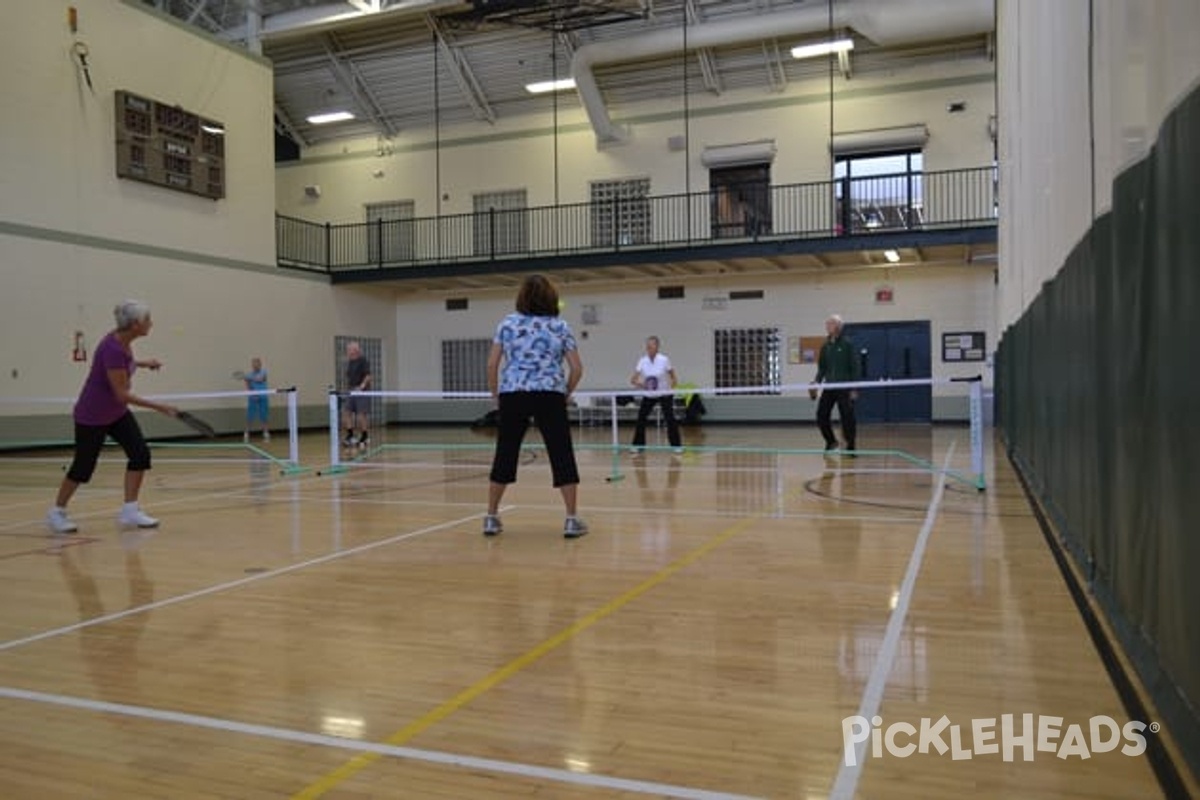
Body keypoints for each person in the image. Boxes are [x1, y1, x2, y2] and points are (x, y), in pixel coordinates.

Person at [46, 300, 178, 534]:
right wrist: (159, 407)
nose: (151, 323)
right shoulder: (113, 347)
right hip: (92, 415)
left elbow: (121, 365)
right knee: (83, 467)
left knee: (139, 454)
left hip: (115, 413)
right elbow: (121, 394)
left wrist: (142, 363)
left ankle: (130, 510)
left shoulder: (123, 343)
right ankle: (57, 512)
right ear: (136, 324)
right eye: (147, 319)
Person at [484, 274, 587, 539]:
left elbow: (492, 364)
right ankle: (572, 519)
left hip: (513, 392)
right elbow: (576, 368)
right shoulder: (560, 327)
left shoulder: (507, 324)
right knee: (561, 451)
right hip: (549, 392)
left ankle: (491, 517)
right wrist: (565, 392)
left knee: (505, 452)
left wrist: (497, 395)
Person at [809, 314, 860, 454]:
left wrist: (854, 387)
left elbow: (854, 367)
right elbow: (822, 368)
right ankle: (831, 441)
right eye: (827, 324)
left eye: (830, 324)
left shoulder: (847, 344)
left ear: (838, 327)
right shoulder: (825, 346)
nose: (827, 326)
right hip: (829, 387)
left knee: (847, 417)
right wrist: (816, 382)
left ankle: (851, 445)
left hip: (844, 387)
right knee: (821, 415)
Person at [629, 335, 683, 455]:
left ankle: (676, 446)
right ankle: (638, 446)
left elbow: (673, 375)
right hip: (649, 394)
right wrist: (644, 385)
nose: (649, 347)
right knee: (641, 418)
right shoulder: (642, 360)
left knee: (670, 419)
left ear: (657, 346)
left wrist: (673, 383)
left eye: (651, 345)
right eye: (647, 345)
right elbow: (633, 379)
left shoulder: (664, 359)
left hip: (664, 393)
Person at [342, 341, 372, 448]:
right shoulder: (350, 362)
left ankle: (365, 436)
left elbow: (368, 376)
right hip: (351, 390)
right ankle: (350, 435)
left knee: (360, 415)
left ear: (356, 350)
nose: (348, 352)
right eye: (348, 350)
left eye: (349, 349)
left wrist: (362, 386)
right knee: (346, 412)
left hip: (362, 391)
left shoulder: (363, 360)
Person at [242, 357, 270, 443]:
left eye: (256, 363)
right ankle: (246, 435)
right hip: (253, 398)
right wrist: (253, 394)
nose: (255, 365)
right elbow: (248, 386)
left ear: (260, 364)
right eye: (253, 364)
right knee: (249, 417)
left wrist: (249, 378)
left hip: (263, 397)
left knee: (264, 417)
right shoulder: (249, 374)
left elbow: (261, 379)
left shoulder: (264, 372)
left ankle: (266, 435)